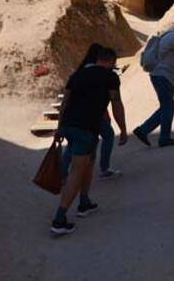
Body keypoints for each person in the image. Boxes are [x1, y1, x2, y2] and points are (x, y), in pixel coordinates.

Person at [51, 45, 128, 236]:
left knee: (89, 161)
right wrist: (124, 130)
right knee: (77, 171)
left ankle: (84, 202)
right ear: (110, 61)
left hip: (70, 125)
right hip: (86, 128)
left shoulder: (77, 75)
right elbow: (117, 104)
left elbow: (65, 102)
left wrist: (59, 128)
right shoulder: (110, 77)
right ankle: (59, 219)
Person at [133, 16, 174, 147]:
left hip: (161, 75)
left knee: (166, 106)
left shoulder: (166, 36)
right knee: (169, 106)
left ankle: (143, 130)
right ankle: (163, 138)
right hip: (163, 75)